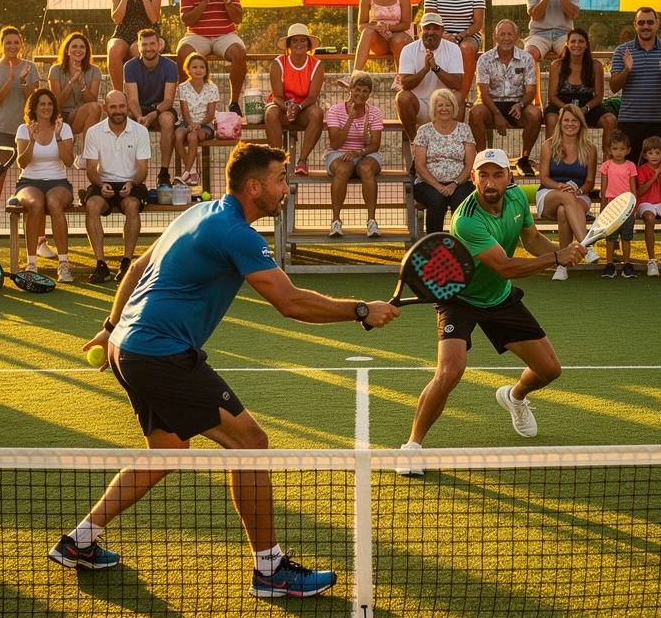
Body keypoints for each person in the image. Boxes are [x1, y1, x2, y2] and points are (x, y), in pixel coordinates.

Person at [48, 142, 399, 594]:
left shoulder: (197, 212)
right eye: (279, 180)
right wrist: (359, 310)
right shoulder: (239, 234)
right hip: (160, 353)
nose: (286, 189)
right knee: (251, 443)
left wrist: (109, 327)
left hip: (126, 348)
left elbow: (137, 267)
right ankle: (271, 571)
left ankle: (80, 541)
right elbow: (289, 302)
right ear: (254, 187)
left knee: (168, 452)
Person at [397, 147, 586, 473]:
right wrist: (556, 258)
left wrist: (563, 251)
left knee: (550, 370)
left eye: (497, 174)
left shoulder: (515, 200)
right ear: (473, 178)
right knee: (450, 371)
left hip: (498, 297)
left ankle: (514, 397)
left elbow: (532, 239)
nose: (490, 182)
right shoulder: (467, 220)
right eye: (483, 175)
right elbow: (506, 267)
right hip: (459, 297)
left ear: (508, 178)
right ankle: (412, 447)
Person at [81, 90, 150, 284]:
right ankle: (100, 265)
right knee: (92, 205)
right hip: (104, 181)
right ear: (105, 109)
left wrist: (132, 183)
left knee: (131, 206)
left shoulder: (141, 131)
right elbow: (91, 169)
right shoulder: (94, 132)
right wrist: (102, 185)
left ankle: (126, 262)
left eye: (122, 106)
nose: (118, 110)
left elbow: (143, 169)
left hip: (132, 182)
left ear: (128, 107)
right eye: (113, 106)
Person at [0, 26, 40, 244]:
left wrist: (23, 81)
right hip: (0, 134)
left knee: (35, 185)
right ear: (2, 45)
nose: (12, 46)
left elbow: (35, 102)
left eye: (16, 42)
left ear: (21, 43)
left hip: (26, 134)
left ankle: (39, 240)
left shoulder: (31, 67)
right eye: (8, 43)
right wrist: (10, 79)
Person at [608, 6, 661, 169]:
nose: (645, 26)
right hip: (630, 123)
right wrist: (626, 70)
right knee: (629, 173)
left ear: (657, 24)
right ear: (635, 24)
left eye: (650, 22)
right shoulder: (622, 51)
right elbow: (614, 86)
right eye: (641, 22)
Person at [13, 89, 75, 283]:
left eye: (50, 104)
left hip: (58, 182)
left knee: (55, 203)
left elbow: (68, 161)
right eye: (42, 104)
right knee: (37, 204)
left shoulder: (63, 128)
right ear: (34, 108)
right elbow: (22, 163)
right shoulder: (24, 129)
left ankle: (63, 264)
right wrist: (31, 141)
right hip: (29, 181)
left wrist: (57, 136)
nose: (47, 107)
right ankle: (32, 264)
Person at [176, 0, 246, 116]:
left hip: (225, 35)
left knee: (239, 51)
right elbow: (186, 20)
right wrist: (204, 2)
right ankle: (186, 103)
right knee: (183, 51)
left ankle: (234, 102)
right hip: (197, 35)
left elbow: (237, 19)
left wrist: (227, 2)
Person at [469, 18, 542, 175]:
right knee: (475, 113)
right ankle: (482, 158)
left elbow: (530, 91)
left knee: (536, 114)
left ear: (516, 37)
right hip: (491, 104)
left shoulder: (526, 58)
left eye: (510, 34)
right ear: (495, 37)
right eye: (502, 34)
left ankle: (524, 159)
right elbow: (483, 92)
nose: (506, 38)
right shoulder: (484, 59)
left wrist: (521, 105)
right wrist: (496, 114)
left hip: (517, 104)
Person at [535, 105, 598, 282]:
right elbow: (544, 178)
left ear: (580, 123)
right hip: (550, 193)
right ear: (560, 123)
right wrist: (561, 186)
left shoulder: (590, 148)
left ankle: (562, 265)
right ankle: (586, 245)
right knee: (566, 198)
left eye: (574, 120)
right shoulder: (549, 145)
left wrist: (578, 190)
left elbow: (590, 183)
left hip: (579, 195)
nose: (570, 124)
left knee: (564, 211)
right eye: (566, 120)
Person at [325, 72, 385, 238]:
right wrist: (350, 119)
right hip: (338, 153)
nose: (361, 94)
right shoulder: (335, 110)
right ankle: (336, 221)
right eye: (357, 90)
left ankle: (372, 221)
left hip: (365, 153)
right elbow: (335, 144)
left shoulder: (375, 112)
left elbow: (375, 144)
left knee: (366, 168)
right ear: (350, 90)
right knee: (343, 169)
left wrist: (358, 153)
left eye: (365, 91)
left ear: (369, 93)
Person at [544, 27, 618, 155]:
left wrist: (585, 109)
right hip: (562, 104)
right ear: (567, 44)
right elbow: (552, 97)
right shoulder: (557, 65)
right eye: (573, 42)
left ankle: (609, 163)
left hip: (588, 105)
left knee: (610, 120)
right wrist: (568, 110)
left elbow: (599, 96)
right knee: (551, 118)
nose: (576, 45)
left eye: (580, 41)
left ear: (586, 45)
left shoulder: (596, 65)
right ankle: (552, 158)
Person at [264, 24, 325, 177]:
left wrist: (297, 108)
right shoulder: (278, 63)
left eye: (303, 40)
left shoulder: (317, 65)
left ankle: (302, 161)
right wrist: (288, 108)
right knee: (271, 113)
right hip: (282, 107)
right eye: (295, 41)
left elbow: (312, 97)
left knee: (317, 113)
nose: (299, 44)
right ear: (289, 44)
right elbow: (277, 96)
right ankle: (278, 162)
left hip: (304, 108)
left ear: (308, 44)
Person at [412, 88, 476, 234]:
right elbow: (419, 165)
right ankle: (434, 245)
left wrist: (455, 184)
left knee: (461, 201)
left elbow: (469, 163)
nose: (444, 109)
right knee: (437, 201)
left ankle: (461, 242)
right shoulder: (424, 131)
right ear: (433, 108)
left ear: (454, 107)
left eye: (448, 105)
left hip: (460, 182)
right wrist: (438, 186)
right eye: (440, 105)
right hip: (428, 183)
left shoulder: (464, 130)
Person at [423, 0, 485, 97]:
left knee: (467, 48)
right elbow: (429, 21)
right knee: (428, 48)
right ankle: (431, 96)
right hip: (439, 35)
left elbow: (478, 23)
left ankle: (461, 96)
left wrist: (460, 35)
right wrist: (444, 36)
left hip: (468, 35)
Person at [396, 12, 464, 143]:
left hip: (443, 105)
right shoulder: (408, 50)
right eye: (427, 28)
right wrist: (425, 70)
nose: (431, 32)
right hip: (419, 106)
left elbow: (457, 84)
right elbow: (405, 84)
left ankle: (453, 144)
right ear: (420, 30)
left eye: (435, 28)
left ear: (442, 30)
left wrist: (436, 69)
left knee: (458, 97)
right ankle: (415, 143)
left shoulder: (453, 49)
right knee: (402, 97)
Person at [123, 28, 178, 187]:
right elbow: (132, 100)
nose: (149, 48)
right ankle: (134, 174)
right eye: (144, 44)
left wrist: (154, 114)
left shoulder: (170, 66)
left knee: (167, 119)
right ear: (138, 47)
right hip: (140, 109)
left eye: (152, 43)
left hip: (161, 109)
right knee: (129, 123)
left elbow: (168, 100)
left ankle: (164, 173)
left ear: (159, 45)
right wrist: (139, 117)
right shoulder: (130, 66)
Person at [344, 0, 413, 79]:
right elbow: (361, 25)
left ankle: (400, 78)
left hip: (401, 38)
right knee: (367, 32)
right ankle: (354, 76)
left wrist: (388, 27)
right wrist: (377, 26)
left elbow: (406, 24)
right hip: (380, 41)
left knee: (397, 40)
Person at [107, 0, 163, 94]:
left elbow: (154, 18)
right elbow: (117, 19)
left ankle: (140, 95)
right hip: (124, 31)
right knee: (114, 50)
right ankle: (118, 96)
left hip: (146, 32)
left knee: (136, 49)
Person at [48, 31, 103, 172]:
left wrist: (82, 84)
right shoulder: (55, 70)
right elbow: (56, 102)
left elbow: (93, 101)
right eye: (74, 46)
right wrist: (72, 82)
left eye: (82, 47)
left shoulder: (95, 70)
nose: (78, 50)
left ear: (87, 51)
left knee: (95, 108)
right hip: (60, 116)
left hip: (80, 116)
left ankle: (86, 155)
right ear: (67, 50)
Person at [634, 135, 661, 277]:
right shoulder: (641, 169)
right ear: (645, 155)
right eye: (651, 153)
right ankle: (652, 260)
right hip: (645, 203)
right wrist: (654, 176)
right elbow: (640, 191)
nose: (654, 156)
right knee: (650, 218)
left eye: (658, 153)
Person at [174, 54, 219, 186]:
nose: (198, 70)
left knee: (193, 137)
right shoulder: (182, 87)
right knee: (178, 135)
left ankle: (186, 172)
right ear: (188, 69)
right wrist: (190, 124)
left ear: (206, 70)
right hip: (187, 121)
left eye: (201, 67)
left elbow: (211, 113)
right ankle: (192, 170)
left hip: (205, 124)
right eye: (194, 67)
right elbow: (185, 111)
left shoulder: (212, 88)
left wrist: (199, 124)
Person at [599, 129, 638, 279]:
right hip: (611, 206)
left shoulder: (631, 166)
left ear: (628, 150)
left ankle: (626, 264)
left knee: (626, 236)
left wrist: (633, 205)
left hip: (627, 206)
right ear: (609, 150)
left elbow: (633, 187)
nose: (618, 152)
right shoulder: (606, 166)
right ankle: (609, 265)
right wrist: (603, 207)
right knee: (610, 237)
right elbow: (603, 189)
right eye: (615, 149)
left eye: (622, 149)